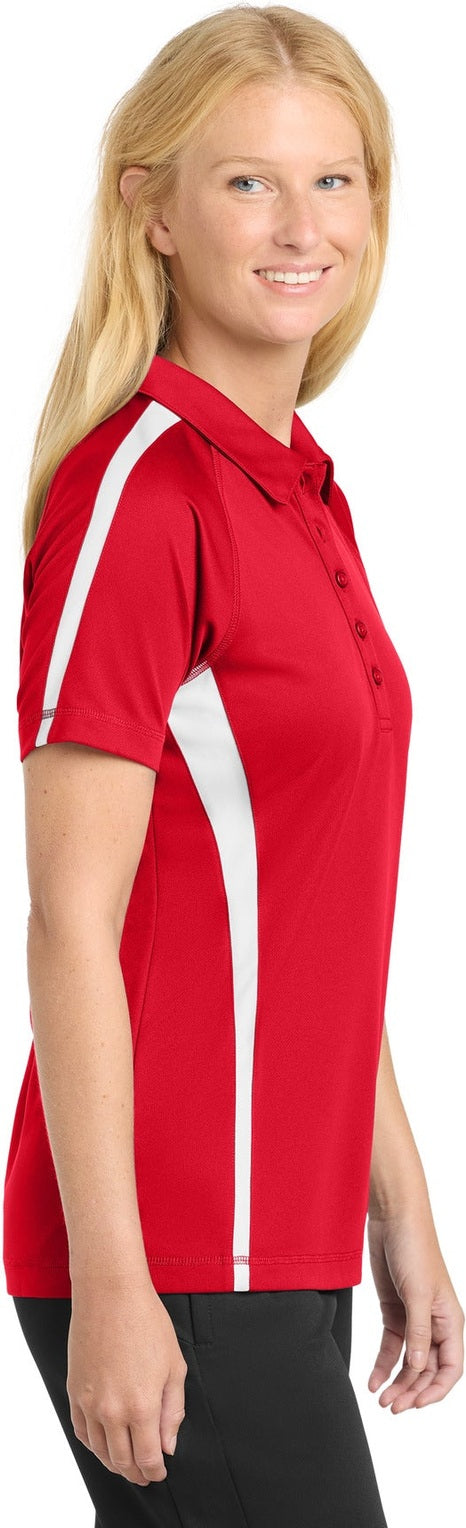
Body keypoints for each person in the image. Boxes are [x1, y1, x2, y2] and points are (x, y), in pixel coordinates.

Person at [2, 5, 463, 1526]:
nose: (301, 226)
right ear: (152, 208)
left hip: (286, 1240)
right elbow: (70, 920)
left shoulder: (304, 493)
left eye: (336, 180)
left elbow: (308, 906)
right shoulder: (139, 495)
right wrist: (114, 1281)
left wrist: (397, 1205)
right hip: (174, 1243)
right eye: (249, 182)